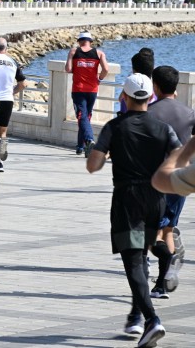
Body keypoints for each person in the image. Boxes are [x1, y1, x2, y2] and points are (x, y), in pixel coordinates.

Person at [87, 74, 179, 346]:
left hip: (128, 199)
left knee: (134, 261)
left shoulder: (114, 127)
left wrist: (104, 152)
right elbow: (180, 155)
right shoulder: (163, 128)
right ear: (150, 97)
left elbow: (93, 165)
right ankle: (164, 257)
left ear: (123, 97)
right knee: (146, 248)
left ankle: (151, 320)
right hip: (156, 197)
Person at [146, 65, 195, 297]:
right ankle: (165, 282)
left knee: (152, 233)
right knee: (168, 228)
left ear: (155, 86)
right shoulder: (189, 113)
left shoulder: (149, 112)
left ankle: (161, 273)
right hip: (179, 179)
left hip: (155, 179)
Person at [0, 37, 26, 173]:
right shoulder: (13, 62)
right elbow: (23, 84)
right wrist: (11, 92)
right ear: (6, 48)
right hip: (8, 100)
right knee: (3, 132)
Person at [66, 30, 109, 155]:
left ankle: (89, 140)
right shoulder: (99, 53)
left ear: (79, 41)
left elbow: (68, 69)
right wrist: (99, 78)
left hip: (78, 90)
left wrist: (76, 64)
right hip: (92, 90)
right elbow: (106, 69)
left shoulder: (74, 51)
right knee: (85, 117)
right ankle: (81, 146)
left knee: (82, 116)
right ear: (90, 42)